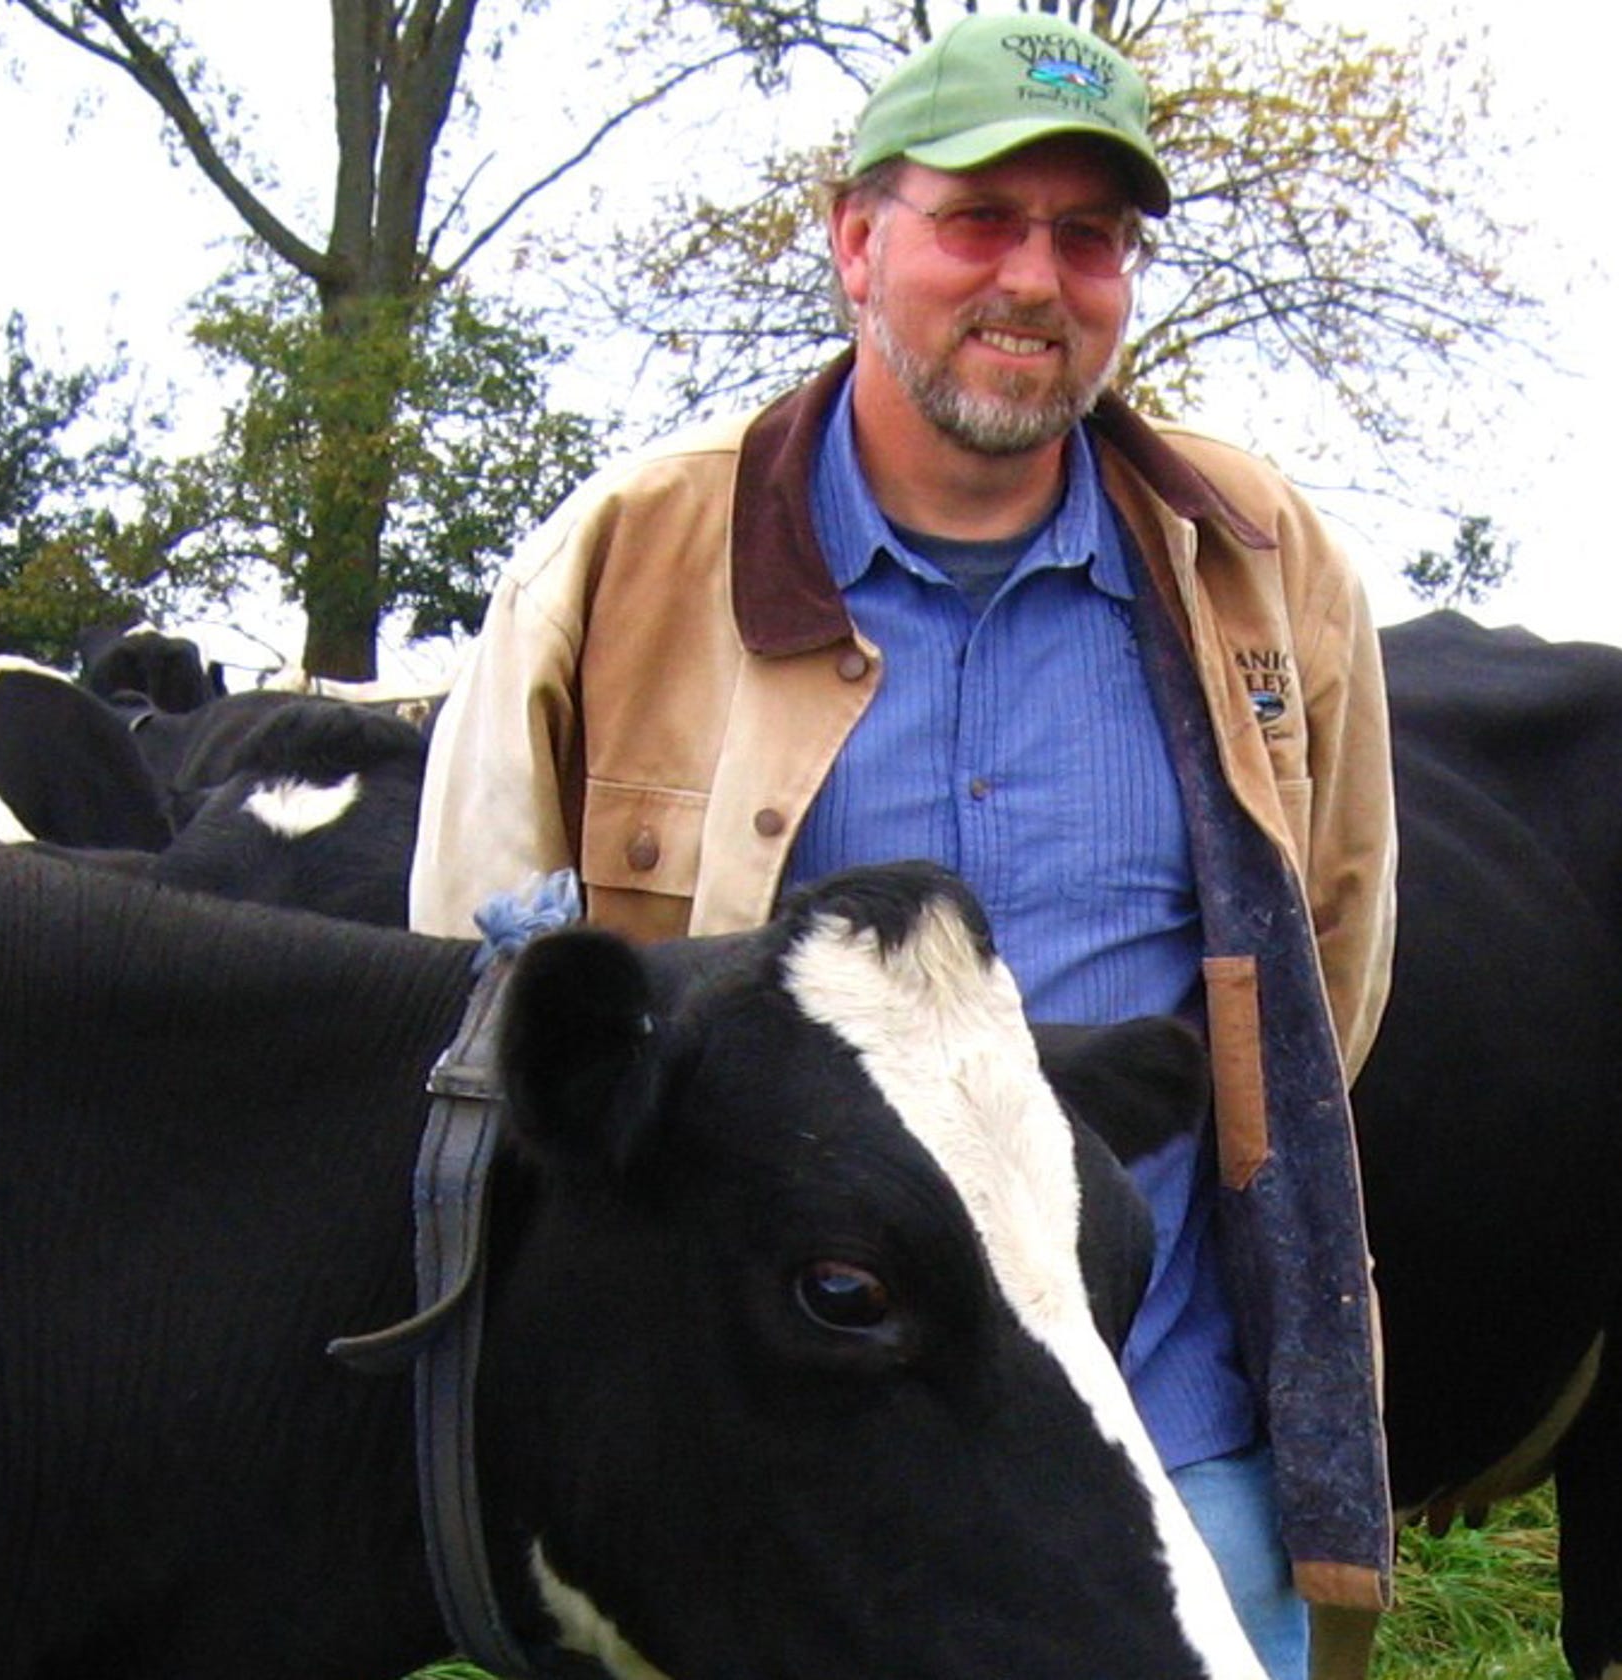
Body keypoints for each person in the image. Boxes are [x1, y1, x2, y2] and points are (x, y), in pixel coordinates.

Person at [407, 14, 1397, 1673]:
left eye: (1089, 237)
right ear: (857, 240)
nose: (1036, 277)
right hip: (788, 1486)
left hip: (1168, 1423)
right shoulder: (627, 556)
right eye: (979, 222)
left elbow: (1332, 968)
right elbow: (479, 992)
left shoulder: (1261, 562)